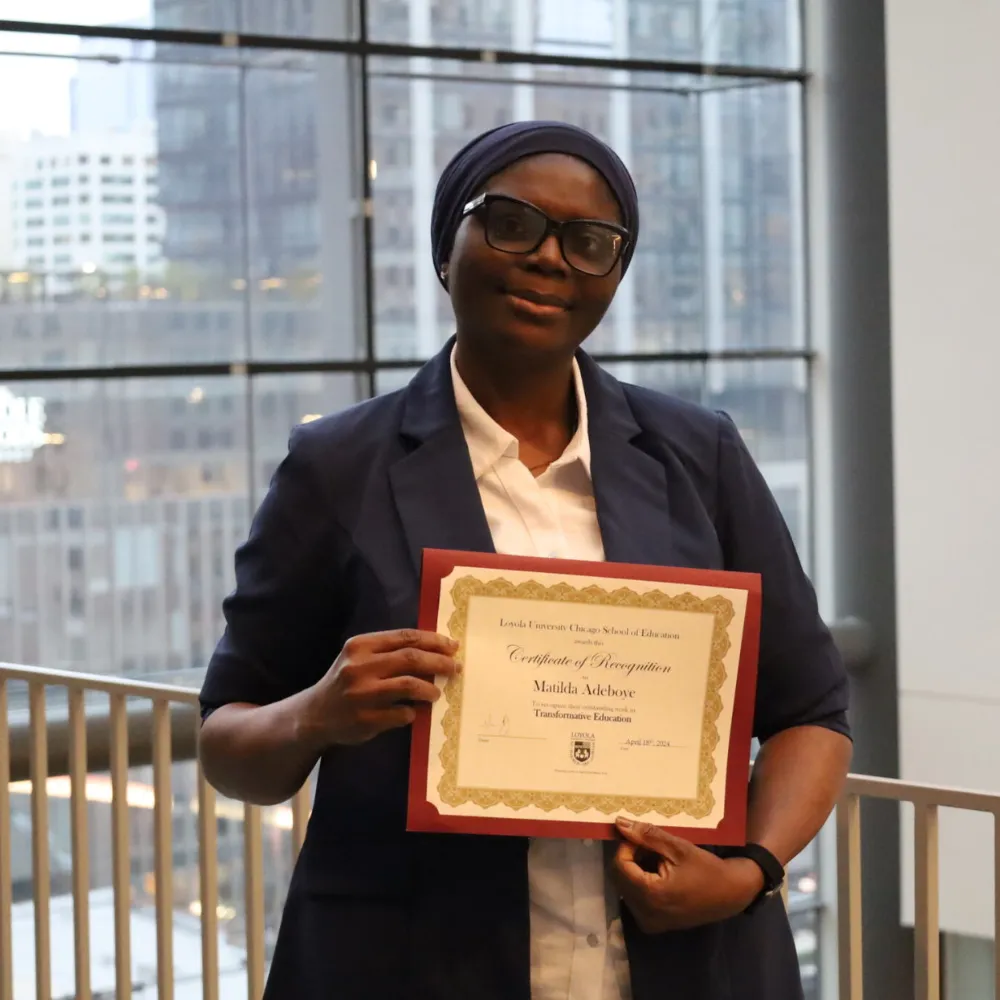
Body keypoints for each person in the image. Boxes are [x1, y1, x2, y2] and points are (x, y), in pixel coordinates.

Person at [198, 120, 852, 1000]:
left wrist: (750, 872)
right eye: (511, 223)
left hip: (687, 963)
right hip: (415, 964)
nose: (550, 259)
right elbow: (226, 741)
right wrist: (316, 716)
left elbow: (812, 707)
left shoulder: (700, 454)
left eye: (590, 243)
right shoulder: (339, 467)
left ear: (614, 275)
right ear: (447, 244)